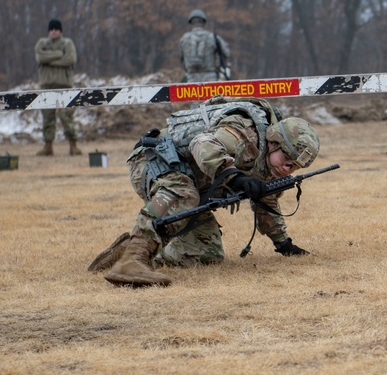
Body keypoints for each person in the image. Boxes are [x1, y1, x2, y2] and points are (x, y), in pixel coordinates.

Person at [93, 101, 320, 287]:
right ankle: (132, 261)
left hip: (192, 178)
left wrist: (283, 244)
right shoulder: (244, 133)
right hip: (153, 161)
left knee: (207, 255)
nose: (287, 170)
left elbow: (266, 200)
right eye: (287, 162)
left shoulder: (271, 165)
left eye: (294, 168)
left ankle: (132, 248)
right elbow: (201, 143)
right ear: (274, 143)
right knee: (184, 194)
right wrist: (235, 176)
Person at [34, 18, 82, 156]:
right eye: (51, 29)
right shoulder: (42, 43)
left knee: (66, 115)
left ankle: (73, 145)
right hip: (46, 85)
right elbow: (40, 58)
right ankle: (48, 146)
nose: (53, 32)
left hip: (64, 85)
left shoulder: (67, 43)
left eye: (56, 29)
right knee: (47, 116)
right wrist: (58, 55)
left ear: (60, 31)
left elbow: (70, 59)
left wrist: (50, 61)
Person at [178, 9, 231, 83]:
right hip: (210, 77)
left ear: (191, 22)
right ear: (203, 22)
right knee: (212, 95)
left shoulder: (184, 39)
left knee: (192, 94)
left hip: (191, 78)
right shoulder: (212, 37)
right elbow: (226, 53)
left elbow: (181, 58)